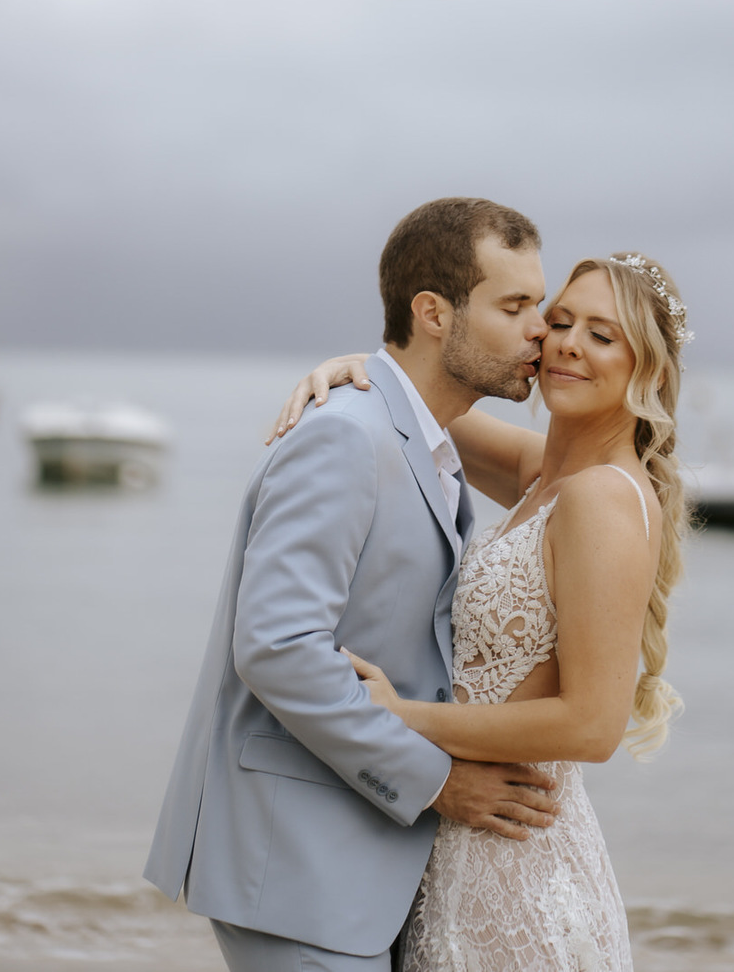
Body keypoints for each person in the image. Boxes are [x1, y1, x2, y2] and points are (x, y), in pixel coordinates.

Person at [143, 197, 563, 972]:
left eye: (540, 303)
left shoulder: (423, 439)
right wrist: (437, 781)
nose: (541, 327)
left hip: (359, 868)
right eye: (516, 304)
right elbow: (276, 648)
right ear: (434, 312)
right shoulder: (343, 434)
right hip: (298, 865)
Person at [276, 250, 690, 972]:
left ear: (647, 369)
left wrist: (400, 716)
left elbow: (592, 725)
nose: (565, 341)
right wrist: (350, 369)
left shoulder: (600, 500)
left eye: (602, 334)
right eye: (558, 320)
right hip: (457, 843)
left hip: (519, 873)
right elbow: (415, 401)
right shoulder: (546, 474)